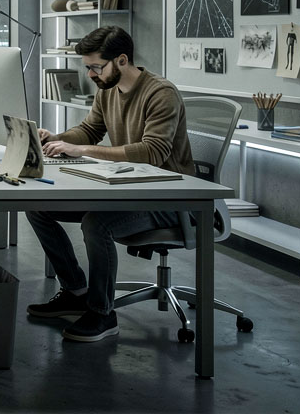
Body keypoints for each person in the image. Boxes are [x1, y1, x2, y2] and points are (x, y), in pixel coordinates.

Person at [26, 26, 195, 343]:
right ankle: (77, 291)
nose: (89, 74)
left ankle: (103, 313)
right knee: (38, 207)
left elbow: (153, 153)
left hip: (168, 199)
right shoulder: (107, 89)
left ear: (121, 60)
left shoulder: (161, 93)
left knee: (97, 223)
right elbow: (89, 130)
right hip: (128, 189)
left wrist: (82, 150)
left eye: (95, 67)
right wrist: (57, 139)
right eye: (87, 67)